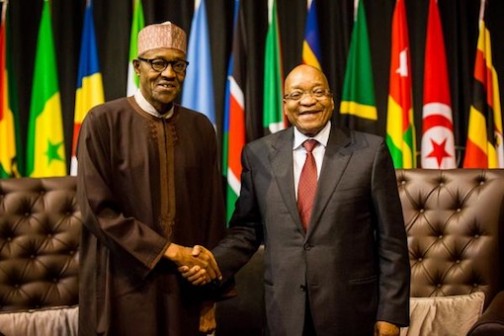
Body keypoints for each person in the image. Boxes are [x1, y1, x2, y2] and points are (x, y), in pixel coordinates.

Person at [183, 64, 410, 335]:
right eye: (296, 94)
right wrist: (213, 262)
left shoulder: (370, 152)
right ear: (285, 104)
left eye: (318, 91)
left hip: (350, 311)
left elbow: (391, 240)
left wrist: (390, 314)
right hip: (283, 313)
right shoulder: (258, 155)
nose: (308, 101)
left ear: (331, 99)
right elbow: (247, 230)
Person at [76, 22, 224, 336]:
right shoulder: (103, 122)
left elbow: (212, 215)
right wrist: (170, 250)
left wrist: (209, 300)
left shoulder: (201, 128)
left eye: (178, 64)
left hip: (185, 288)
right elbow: (97, 211)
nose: (168, 73)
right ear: (137, 68)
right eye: (158, 63)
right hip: (121, 286)